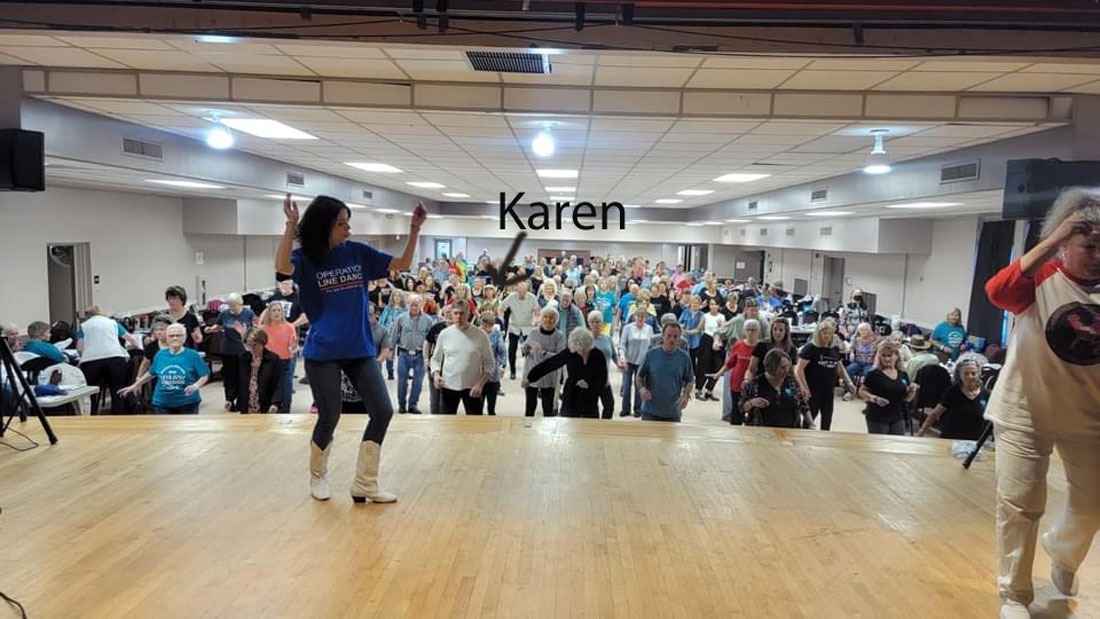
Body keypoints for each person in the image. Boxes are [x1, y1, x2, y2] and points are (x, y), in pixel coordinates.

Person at [982, 187, 1100, 618]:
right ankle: (1014, 594)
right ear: (1066, 242)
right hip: (1024, 410)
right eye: (1089, 245)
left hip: (1088, 415)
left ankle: (1063, 554)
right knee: (1019, 505)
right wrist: (1049, 241)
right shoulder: (1042, 277)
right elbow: (998, 291)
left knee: (1092, 507)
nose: (1097, 255)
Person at [276, 193, 425, 503]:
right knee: (329, 416)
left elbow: (403, 263)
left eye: (348, 222)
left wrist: (414, 230)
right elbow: (282, 266)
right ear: (323, 227)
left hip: (358, 349)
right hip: (323, 351)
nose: (348, 229)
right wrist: (291, 224)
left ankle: (365, 483)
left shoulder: (357, 253)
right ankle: (318, 475)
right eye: (341, 224)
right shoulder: (306, 259)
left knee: (382, 411)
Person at [118, 324, 209, 414]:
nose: (174, 338)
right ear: (167, 338)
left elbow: (204, 375)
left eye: (178, 335)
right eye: (171, 336)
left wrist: (195, 386)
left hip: (187, 402)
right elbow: (151, 373)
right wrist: (135, 385)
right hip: (162, 403)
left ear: (184, 337)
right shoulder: (160, 354)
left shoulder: (193, 355)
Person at [525, 327, 607, 418]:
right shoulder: (571, 352)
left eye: (584, 349)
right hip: (571, 393)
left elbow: (602, 378)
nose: (581, 352)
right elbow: (550, 364)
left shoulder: (598, 355)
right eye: (578, 350)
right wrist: (530, 377)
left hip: (591, 395)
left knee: (590, 423)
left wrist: (590, 384)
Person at [430, 303, 493, 415]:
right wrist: (436, 374)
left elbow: (489, 363)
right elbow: (435, 359)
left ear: (468, 314)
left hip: (472, 387)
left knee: (475, 425)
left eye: (462, 313)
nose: (458, 317)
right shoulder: (445, 334)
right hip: (448, 385)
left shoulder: (480, 335)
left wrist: (480, 384)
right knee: (446, 423)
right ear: (451, 314)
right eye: (456, 313)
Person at [795, 318, 856, 431]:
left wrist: (849, 382)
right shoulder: (810, 348)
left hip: (828, 390)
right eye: (824, 333)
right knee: (809, 421)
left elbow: (840, 368)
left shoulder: (834, 349)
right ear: (819, 334)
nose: (826, 336)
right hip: (812, 390)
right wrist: (804, 387)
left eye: (829, 333)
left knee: (827, 420)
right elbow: (799, 369)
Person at [77, 305, 140, 415]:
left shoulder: (84, 326)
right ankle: (118, 416)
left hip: (92, 361)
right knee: (117, 389)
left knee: (91, 390)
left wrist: (85, 354)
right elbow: (131, 339)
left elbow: (80, 348)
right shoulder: (113, 323)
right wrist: (137, 348)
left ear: (88, 315)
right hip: (115, 358)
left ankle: (91, 415)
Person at [204, 293, 255, 412]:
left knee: (243, 376)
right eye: (230, 306)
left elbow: (254, 329)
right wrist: (210, 329)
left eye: (234, 306)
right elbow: (220, 326)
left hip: (244, 349)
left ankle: (243, 402)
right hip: (228, 349)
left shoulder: (248, 314)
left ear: (240, 304)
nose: (232, 309)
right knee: (230, 376)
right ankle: (230, 400)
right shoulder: (224, 314)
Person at [917, 354, 988, 440]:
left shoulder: (985, 394)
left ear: (979, 374)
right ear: (960, 376)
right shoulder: (952, 392)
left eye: (973, 373)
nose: (970, 377)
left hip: (975, 440)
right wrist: (921, 432)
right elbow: (934, 414)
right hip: (951, 438)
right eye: (966, 374)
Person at [740, 349, 814, 429]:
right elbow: (741, 407)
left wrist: (811, 424)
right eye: (782, 367)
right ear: (771, 367)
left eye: (787, 367)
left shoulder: (792, 382)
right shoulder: (755, 383)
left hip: (791, 431)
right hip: (762, 431)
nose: (786, 371)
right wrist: (752, 403)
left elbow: (804, 405)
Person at [636, 323, 694, 422]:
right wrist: (642, 389)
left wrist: (685, 394)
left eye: (675, 337)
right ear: (662, 336)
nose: (672, 340)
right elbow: (639, 376)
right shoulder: (650, 355)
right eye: (669, 336)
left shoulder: (684, 358)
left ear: (680, 338)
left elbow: (690, 380)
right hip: (650, 412)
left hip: (673, 413)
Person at [859, 340, 918, 435]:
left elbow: (907, 399)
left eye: (889, 356)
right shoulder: (873, 374)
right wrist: (874, 398)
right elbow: (862, 391)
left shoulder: (903, 374)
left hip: (897, 416)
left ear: (896, 356)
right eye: (884, 356)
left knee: (897, 444)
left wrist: (912, 391)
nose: (886, 359)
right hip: (877, 417)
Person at [709, 319, 761, 425]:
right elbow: (729, 363)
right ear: (745, 331)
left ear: (758, 331)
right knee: (736, 413)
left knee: (753, 413)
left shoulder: (761, 347)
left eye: (753, 330)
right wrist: (719, 373)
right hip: (737, 384)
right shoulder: (739, 345)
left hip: (754, 385)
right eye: (748, 330)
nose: (750, 332)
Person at [391, 294, 433, 415]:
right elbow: (394, 335)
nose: (414, 307)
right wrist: (391, 350)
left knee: (418, 382)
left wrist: (428, 357)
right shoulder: (401, 318)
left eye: (417, 305)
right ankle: (402, 405)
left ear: (421, 305)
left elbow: (430, 339)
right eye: (412, 305)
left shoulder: (428, 320)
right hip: (404, 353)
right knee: (402, 381)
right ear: (408, 305)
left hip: (420, 355)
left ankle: (413, 404)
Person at [522, 307, 567, 417]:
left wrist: (544, 352)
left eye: (551, 318)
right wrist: (526, 349)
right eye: (545, 317)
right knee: (530, 407)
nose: (548, 320)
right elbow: (525, 348)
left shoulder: (559, 336)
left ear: (556, 320)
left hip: (549, 374)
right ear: (541, 319)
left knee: (548, 408)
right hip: (532, 372)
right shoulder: (534, 333)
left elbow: (560, 357)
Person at [260, 303, 298, 414]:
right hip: (269, 363)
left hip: (285, 362)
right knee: (270, 389)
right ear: (269, 313)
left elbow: (293, 348)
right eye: (274, 310)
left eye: (279, 310)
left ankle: (286, 411)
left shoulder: (289, 327)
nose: (277, 313)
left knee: (286, 389)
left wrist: (295, 346)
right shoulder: (263, 329)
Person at [617, 309, 656, 418]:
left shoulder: (649, 329)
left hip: (642, 362)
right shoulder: (627, 328)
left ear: (646, 319)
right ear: (634, 317)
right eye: (638, 317)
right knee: (626, 386)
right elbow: (622, 344)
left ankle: (638, 409)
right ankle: (625, 409)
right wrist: (622, 356)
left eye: (642, 317)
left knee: (639, 386)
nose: (640, 319)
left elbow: (651, 346)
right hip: (628, 361)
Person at [236, 329, 283, 414]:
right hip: (247, 403)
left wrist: (275, 403)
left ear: (262, 343)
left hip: (266, 404)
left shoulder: (273, 359)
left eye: (255, 345)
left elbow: (279, 383)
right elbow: (237, 381)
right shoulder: (242, 358)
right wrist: (230, 399)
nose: (252, 349)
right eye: (249, 345)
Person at [499, 281, 537, 380]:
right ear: (517, 290)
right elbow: (501, 307)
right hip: (514, 326)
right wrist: (501, 317)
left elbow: (537, 310)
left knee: (528, 351)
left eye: (523, 292)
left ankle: (528, 371)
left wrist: (536, 318)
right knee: (512, 349)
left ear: (527, 290)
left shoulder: (532, 298)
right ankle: (513, 371)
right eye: (520, 292)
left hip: (527, 327)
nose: (521, 294)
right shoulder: (511, 297)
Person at [586, 310, 617, 419]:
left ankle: (605, 427)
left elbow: (614, 355)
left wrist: (620, 364)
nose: (595, 324)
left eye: (598, 321)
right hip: (590, 382)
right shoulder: (585, 340)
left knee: (609, 405)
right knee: (592, 410)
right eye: (592, 321)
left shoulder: (607, 339)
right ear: (589, 324)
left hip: (605, 381)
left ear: (602, 323)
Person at [423, 306, 454, 415]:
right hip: (436, 365)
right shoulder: (437, 328)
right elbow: (427, 343)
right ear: (443, 314)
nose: (449, 315)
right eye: (447, 312)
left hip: (452, 367)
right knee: (434, 397)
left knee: (447, 399)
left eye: (452, 312)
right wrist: (426, 360)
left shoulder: (460, 329)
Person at [694, 299, 726, 401]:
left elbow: (725, 331)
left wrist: (721, 327)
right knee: (703, 365)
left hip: (718, 341)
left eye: (715, 304)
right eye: (711, 304)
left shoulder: (722, 317)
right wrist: (687, 331)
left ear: (718, 305)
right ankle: (699, 390)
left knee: (717, 365)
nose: (713, 306)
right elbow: (699, 329)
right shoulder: (705, 316)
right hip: (707, 340)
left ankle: (709, 390)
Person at [480, 311, 508, 416]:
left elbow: (502, 352)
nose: (484, 328)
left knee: (491, 406)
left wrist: (502, 365)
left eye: (487, 326)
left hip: (493, 371)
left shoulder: (497, 335)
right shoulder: (477, 333)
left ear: (492, 325)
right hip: (478, 372)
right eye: (482, 325)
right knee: (478, 405)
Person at [379, 290, 407, 380]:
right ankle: (390, 371)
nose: (397, 297)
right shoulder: (388, 308)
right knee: (390, 352)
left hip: (402, 333)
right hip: (389, 332)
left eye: (399, 296)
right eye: (395, 295)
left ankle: (405, 371)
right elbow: (382, 321)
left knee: (404, 353)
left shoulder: (405, 309)